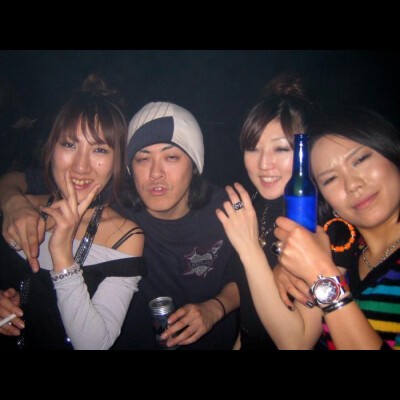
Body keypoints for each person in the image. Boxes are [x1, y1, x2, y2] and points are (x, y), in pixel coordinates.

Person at [0, 101, 239, 350]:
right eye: (142, 159)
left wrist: (216, 307)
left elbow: (250, 274)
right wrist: (12, 202)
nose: (155, 173)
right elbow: (20, 180)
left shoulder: (226, 209)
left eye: (171, 157)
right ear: (128, 168)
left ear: (195, 163)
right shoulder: (112, 198)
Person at [217, 106, 400, 350]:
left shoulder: (331, 245)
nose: (352, 185)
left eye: (360, 160)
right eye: (330, 178)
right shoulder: (354, 257)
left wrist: (318, 272)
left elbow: (296, 342)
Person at [0, 75, 145, 350]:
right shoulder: (23, 206)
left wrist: (62, 255)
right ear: (51, 148)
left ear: (117, 161)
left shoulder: (124, 236)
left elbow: (94, 345)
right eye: (69, 144)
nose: (80, 166)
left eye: (99, 149)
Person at [221, 73, 318, 350]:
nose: (264, 164)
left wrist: (249, 248)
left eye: (280, 149)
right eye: (253, 149)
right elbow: (251, 311)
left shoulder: (322, 222)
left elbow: (297, 343)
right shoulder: (256, 206)